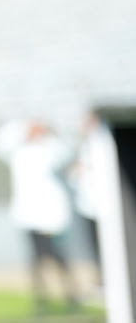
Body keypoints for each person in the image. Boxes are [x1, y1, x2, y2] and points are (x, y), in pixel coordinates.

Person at [0, 118, 79, 313]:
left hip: (51, 216)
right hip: (27, 215)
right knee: (36, 258)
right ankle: (41, 298)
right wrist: (23, 126)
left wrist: (47, 135)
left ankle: (71, 295)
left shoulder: (50, 150)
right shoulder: (18, 151)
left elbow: (65, 154)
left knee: (58, 257)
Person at [68, 111, 117, 289]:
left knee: (112, 244)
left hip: (106, 205)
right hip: (89, 206)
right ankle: (104, 277)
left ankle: (114, 276)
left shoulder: (104, 141)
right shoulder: (85, 144)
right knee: (96, 245)